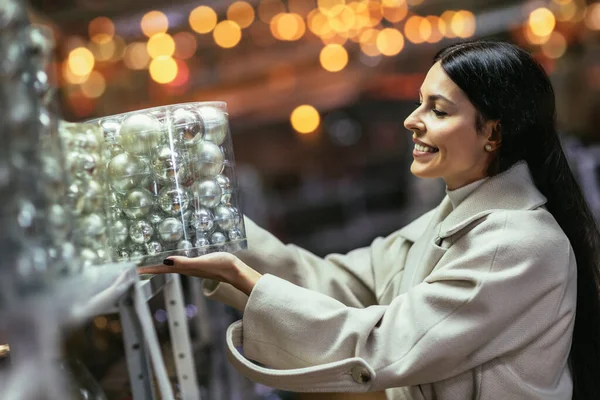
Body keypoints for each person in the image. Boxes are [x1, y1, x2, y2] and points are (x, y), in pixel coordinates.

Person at [139, 41, 600, 399]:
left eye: (437, 111)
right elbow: (337, 281)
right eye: (420, 103)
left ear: (493, 133)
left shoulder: (516, 244)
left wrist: (242, 277)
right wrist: (209, 223)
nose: (411, 120)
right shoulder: (456, 219)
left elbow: (386, 344)